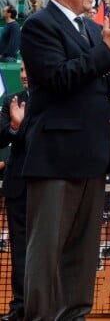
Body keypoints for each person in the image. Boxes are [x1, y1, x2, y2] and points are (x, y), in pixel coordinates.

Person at [19, 0, 110, 321]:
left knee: (84, 252)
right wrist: (106, 49)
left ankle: (75, 315)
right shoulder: (39, 25)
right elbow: (59, 79)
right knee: (47, 251)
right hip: (56, 156)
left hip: (93, 155)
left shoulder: (87, 28)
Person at [0, 63, 28, 321]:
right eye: (21, 70)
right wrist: (15, 127)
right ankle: (18, 307)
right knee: (20, 252)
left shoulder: (57, 98)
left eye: (28, 70)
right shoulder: (11, 100)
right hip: (18, 188)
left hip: (51, 186)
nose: (23, 75)